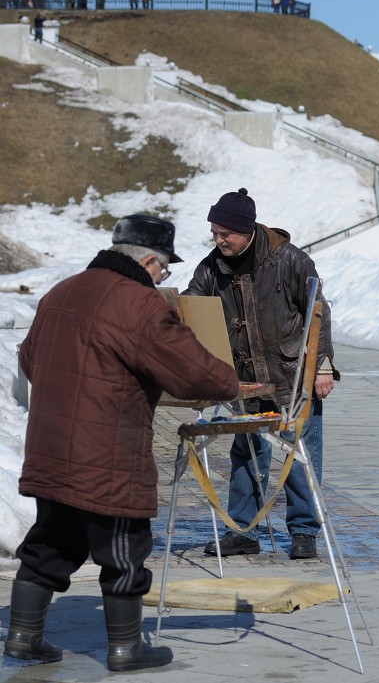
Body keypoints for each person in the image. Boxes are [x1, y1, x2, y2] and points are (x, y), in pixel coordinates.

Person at [3, 214, 239, 672]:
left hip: (52, 448)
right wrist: (230, 383)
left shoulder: (62, 291)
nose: (163, 277)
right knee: (124, 549)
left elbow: (30, 359)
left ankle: (22, 636)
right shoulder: (139, 304)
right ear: (150, 260)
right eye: (165, 269)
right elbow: (194, 372)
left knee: (50, 544)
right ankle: (127, 648)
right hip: (107, 452)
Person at [183, 189, 338, 560]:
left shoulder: (290, 261)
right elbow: (191, 307)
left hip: (292, 375)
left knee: (299, 455)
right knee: (246, 454)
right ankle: (244, 531)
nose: (219, 240)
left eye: (226, 234)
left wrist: (323, 366)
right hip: (245, 379)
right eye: (214, 233)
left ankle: (304, 532)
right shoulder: (210, 267)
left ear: (247, 229)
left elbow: (318, 312)